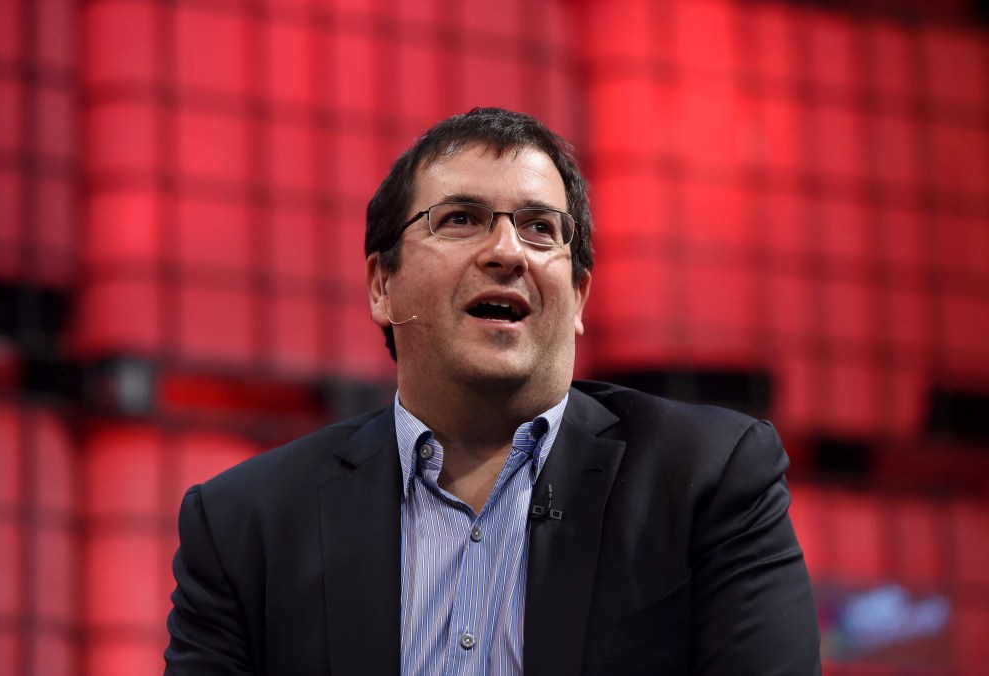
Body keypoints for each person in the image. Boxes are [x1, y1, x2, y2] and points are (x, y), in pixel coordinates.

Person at [164, 107, 820, 675]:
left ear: (580, 295)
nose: (509, 252)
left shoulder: (707, 479)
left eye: (541, 228)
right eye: (461, 219)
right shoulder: (244, 528)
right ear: (381, 286)